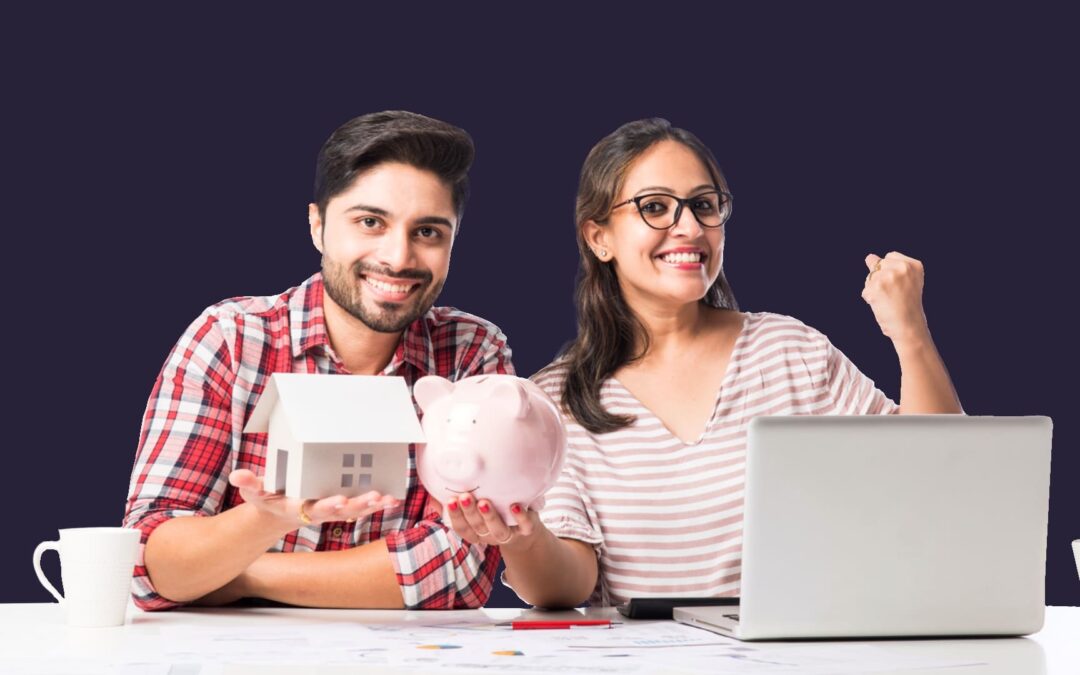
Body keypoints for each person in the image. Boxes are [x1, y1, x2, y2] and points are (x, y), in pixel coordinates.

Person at [445, 118, 962, 608]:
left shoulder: (789, 350)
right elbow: (570, 585)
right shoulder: (555, 401)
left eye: (703, 205)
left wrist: (909, 332)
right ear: (598, 237)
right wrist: (525, 539)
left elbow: (936, 475)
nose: (688, 226)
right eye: (654, 207)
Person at [123, 110, 513, 610]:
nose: (398, 257)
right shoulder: (231, 339)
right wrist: (265, 518)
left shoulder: (470, 352)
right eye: (370, 222)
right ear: (317, 226)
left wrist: (242, 574)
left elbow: (461, 570)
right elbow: (149, 564)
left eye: (429, 232)